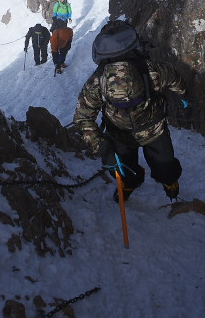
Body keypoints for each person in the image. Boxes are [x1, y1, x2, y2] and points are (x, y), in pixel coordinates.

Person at [73, 20, 187, 201]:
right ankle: (168, 181)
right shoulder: (152, 70)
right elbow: (173, 77)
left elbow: (83, 118)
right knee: (165, 165)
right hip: (154, 130)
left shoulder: (97, 82)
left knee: (125, 168)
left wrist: (101, 146)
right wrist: (183, 94)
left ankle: (129, 183)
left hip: (119, 134)